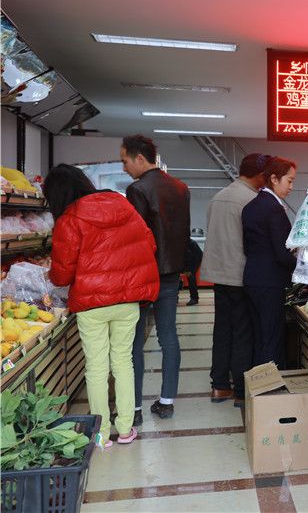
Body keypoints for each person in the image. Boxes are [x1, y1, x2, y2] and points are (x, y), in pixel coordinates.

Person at [45, 164, 159, 448]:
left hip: (91, 303)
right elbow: (149, 243)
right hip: (127, 300)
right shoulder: (123, 206)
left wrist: (51, 275)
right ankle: (125, 430)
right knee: (123, 362)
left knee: (96, 368)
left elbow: (62, 274)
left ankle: (100, 434)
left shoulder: (69, 219)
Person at [121, 135, 190, 423]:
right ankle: (166, 401)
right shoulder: (181, 187)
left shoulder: (137, 189)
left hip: (143, 276)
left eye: (125, 161)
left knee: (134, 343)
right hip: (171, 274)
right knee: (168, 337)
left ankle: (134, 409)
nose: (124, 167)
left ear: (140, 158)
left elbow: (135, 238)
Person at [200, 153, 270, 407]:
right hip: (240, 275)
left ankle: (219, 386)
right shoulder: (251, 201)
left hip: (218, 275)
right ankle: (241, 390)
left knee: (222, 330)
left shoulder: (218, 197)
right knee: (243, 333)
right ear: (260, 175)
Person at [241, 157, 297, 368]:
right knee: (272, 338)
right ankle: (272, 385)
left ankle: (258, 384)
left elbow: (248, 247)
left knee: (260, 337)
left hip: (253, 279)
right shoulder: (273, 209)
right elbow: (281, 253)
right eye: (289, 181)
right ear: (274, 179)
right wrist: (303, 268)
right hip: (270, 282)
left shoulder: (251, 206)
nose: (291, 187)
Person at [183, 238, 203, 306]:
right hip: (190, 256)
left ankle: (194, 298)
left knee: (191, 276)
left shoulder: (186, 242)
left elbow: (190, 256)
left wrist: (188, 269)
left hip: (194, 257)